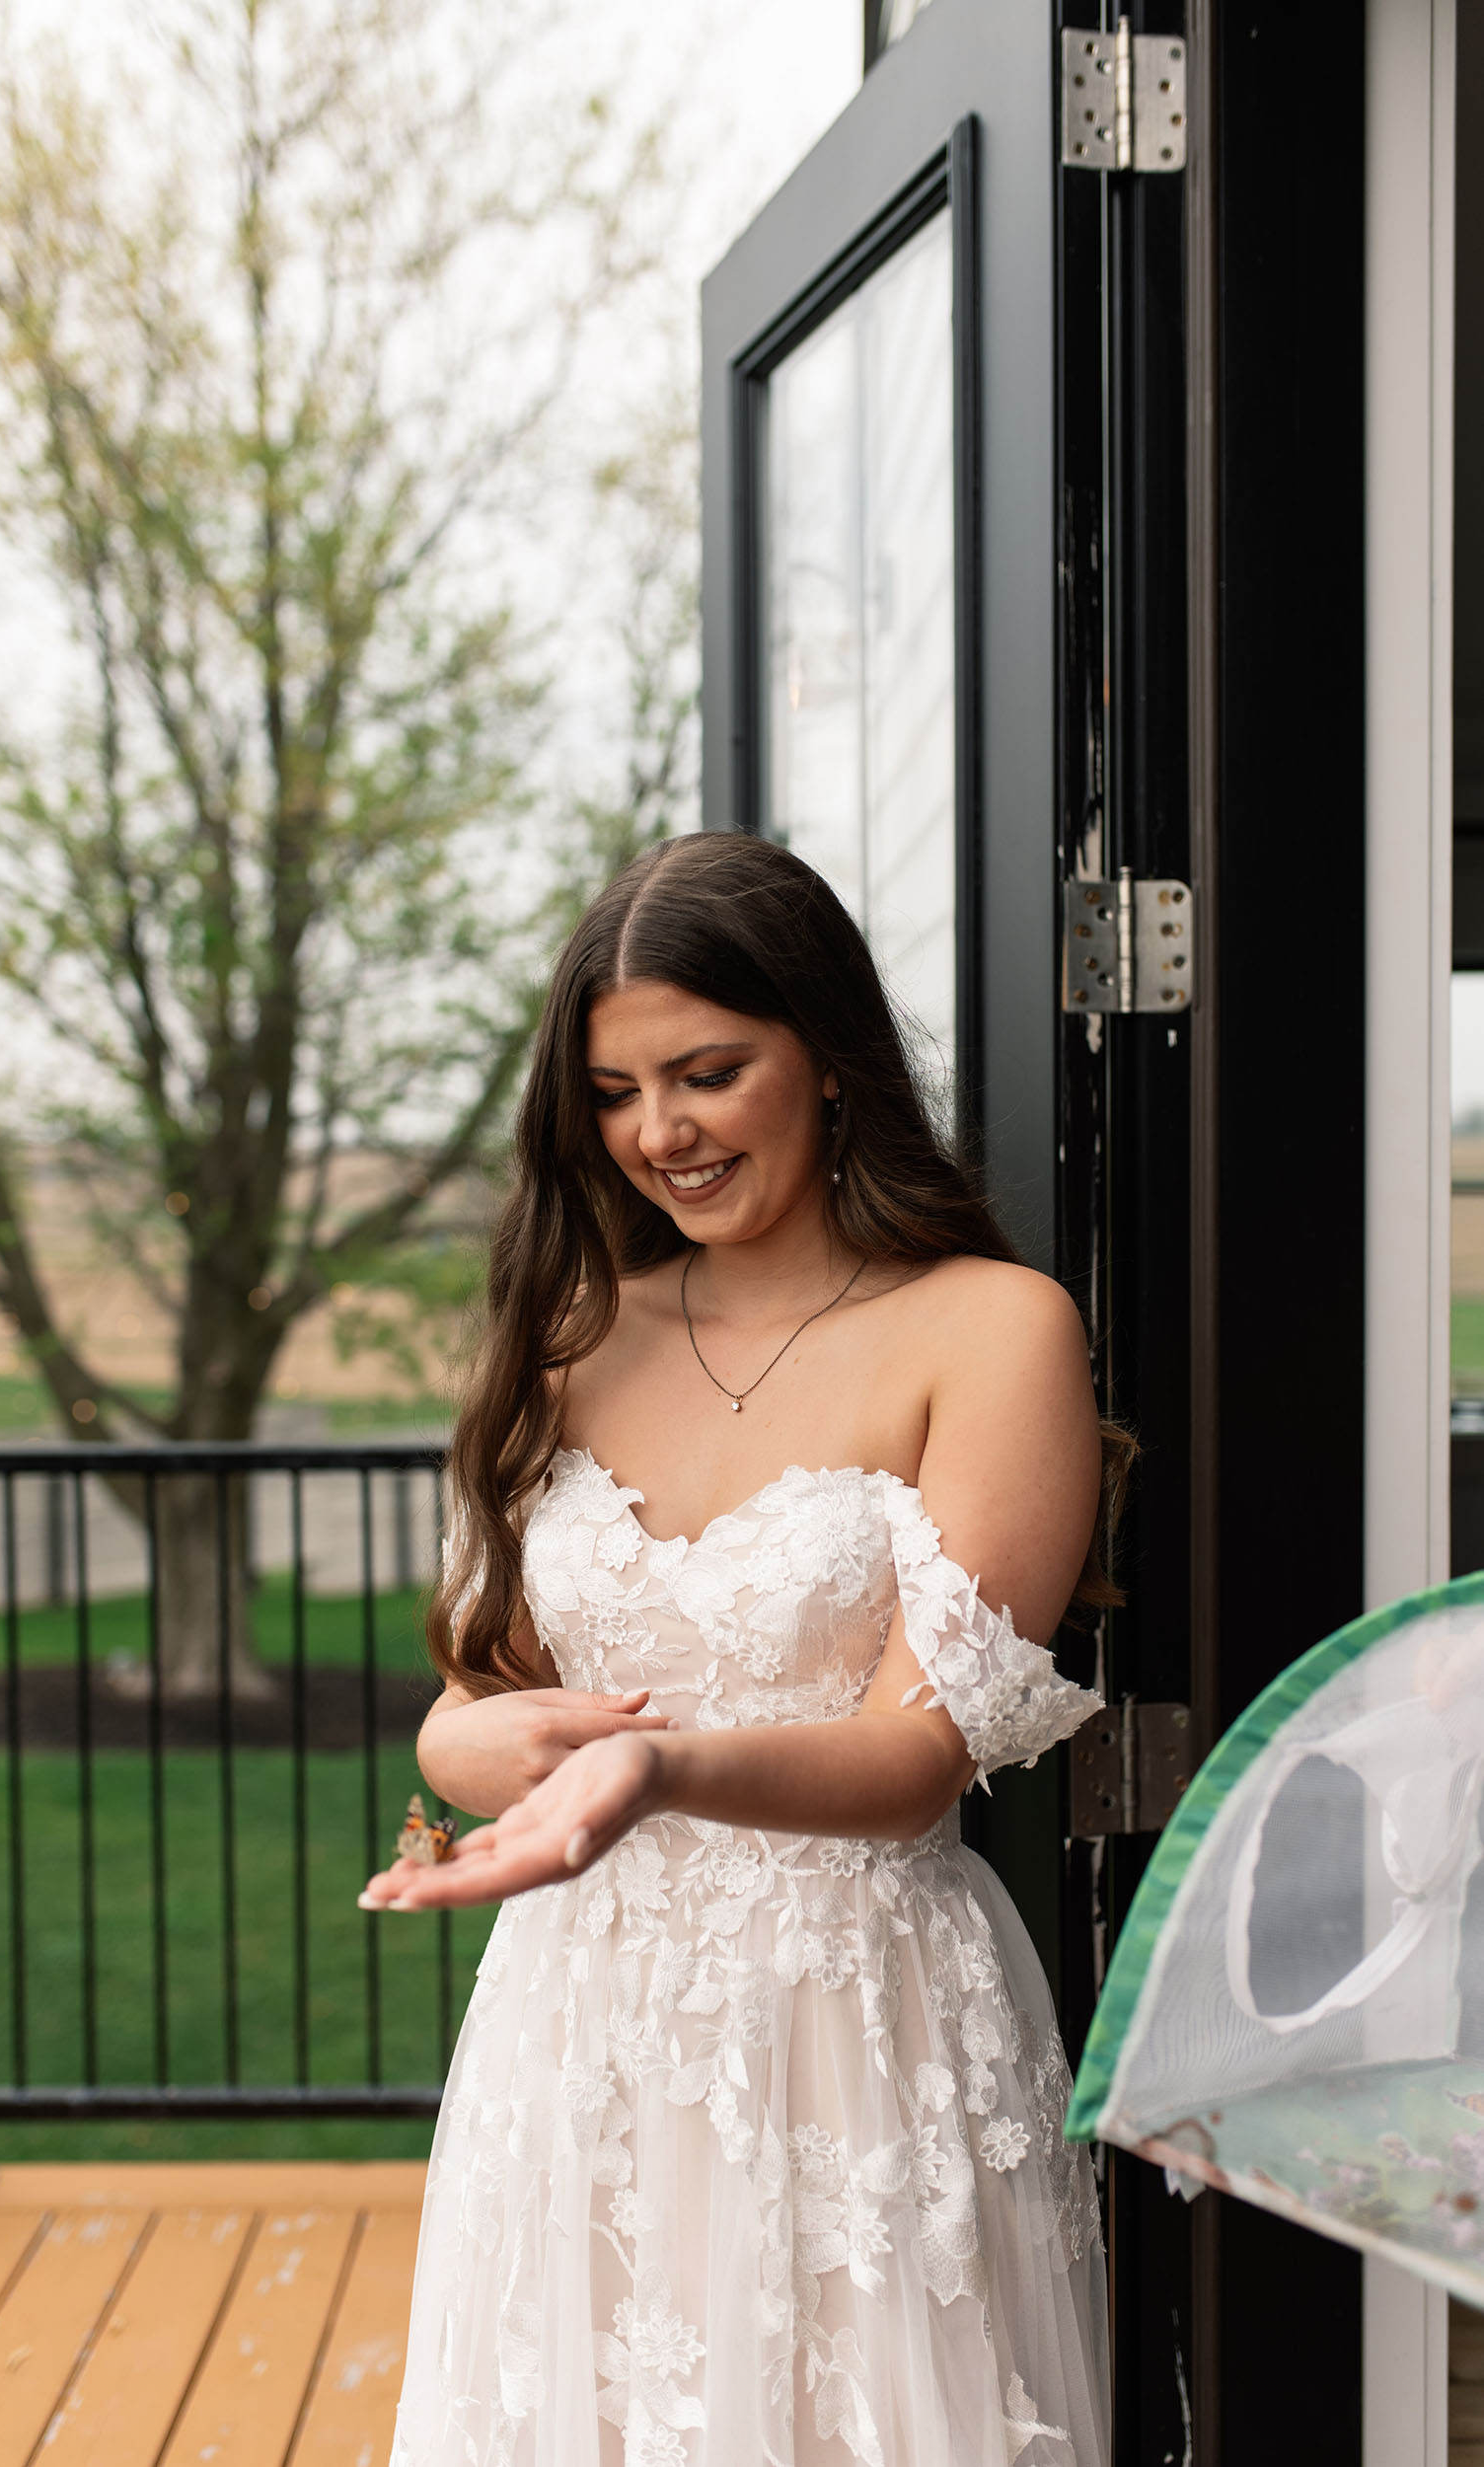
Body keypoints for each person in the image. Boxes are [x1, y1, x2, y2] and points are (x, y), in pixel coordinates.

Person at [363, 833, 1118, 2466]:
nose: (661, 1134)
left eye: (708, 1074)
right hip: (579, 2021)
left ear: (832, 1060)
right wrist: (463, 1751)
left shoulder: (990, 1329)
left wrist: (652, 1767)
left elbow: (922, 1760)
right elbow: (471, 1695)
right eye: (619, 1093)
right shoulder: (565, 1342)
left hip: (856, 2021)